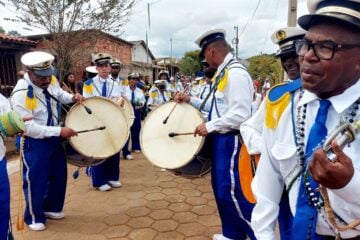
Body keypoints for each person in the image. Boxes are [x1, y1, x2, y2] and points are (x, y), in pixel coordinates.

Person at [251, 1, 360, 239]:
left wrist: (349, 186)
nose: (307, 57)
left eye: (326, 47)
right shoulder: (284, 107)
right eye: (307, 45)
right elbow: (267, 187)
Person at [175, 29, 255, 240]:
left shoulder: (235, 73)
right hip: (221, 140)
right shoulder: (225, 71)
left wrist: (209, 126)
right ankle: (232, 234)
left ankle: (258, 234)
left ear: (210, 51)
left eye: (204, 57)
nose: (206, 62)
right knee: (221, 190)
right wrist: (190, 100)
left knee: (234, 191)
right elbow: (218, 107)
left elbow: (240, 114)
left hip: (232, 141)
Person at [240, 26, 305, 240]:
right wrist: (270, 148)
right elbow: (247, 127)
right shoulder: (278, 97)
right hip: (286, 188)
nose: (288, 62)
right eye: (283, 57)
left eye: (293, 55)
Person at [11, 51, 84, 231]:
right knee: (36, 179)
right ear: (29, 72)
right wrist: (60, 131)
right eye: (41, 76)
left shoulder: (49, 80)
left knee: (58, 174)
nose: (46, 80)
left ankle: (52, 208)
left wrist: (72, 97)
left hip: (54, 137)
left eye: (48, 75)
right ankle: (34, 216)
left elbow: (58, 94)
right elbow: (28, 128)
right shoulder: (20, 93)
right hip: (34, 142)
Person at [82, 52, 123, 192]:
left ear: (110, 67)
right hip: (96, 120)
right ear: (96, 68)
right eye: (100, 66)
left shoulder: (116, 83)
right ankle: (99, 181)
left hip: (112, 120)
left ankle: (113, 177)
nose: (104, 68)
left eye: (106, 66)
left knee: (113, 146)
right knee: (99, 149)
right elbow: (88, 102)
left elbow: (119, 99)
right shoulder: (89, 84)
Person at [122, 72, 145, 159]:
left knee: (136, 129)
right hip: (126, 112)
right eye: (132, 79)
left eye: (136, 79)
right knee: (127, 130)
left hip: (136, 111)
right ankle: (125, 149)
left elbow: (143, 101)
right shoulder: (124, 90)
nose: (134, 81)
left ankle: (135, 146)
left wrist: (140, 104)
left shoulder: (139, 91)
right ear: (129, 80)